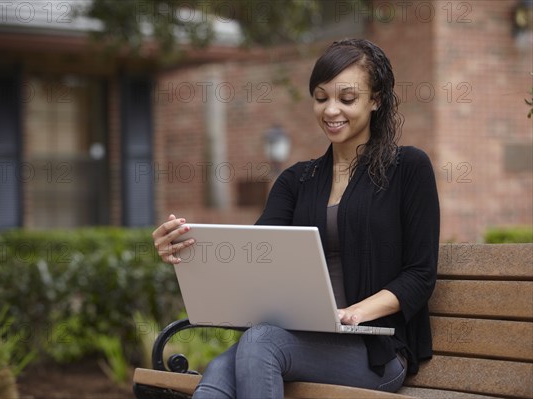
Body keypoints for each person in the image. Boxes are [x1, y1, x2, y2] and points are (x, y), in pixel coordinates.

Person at [152, 38, 440, 398]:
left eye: (346, 99)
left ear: (376, 100)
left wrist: (352, 313)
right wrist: (183, 248)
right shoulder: (296, 180)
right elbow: (255, 255)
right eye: (321, 98)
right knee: (218, 376)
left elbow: (420, 274)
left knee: (258, 345)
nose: (331, 110)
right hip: (293, 340)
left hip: (373, 353)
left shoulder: (408, 169)